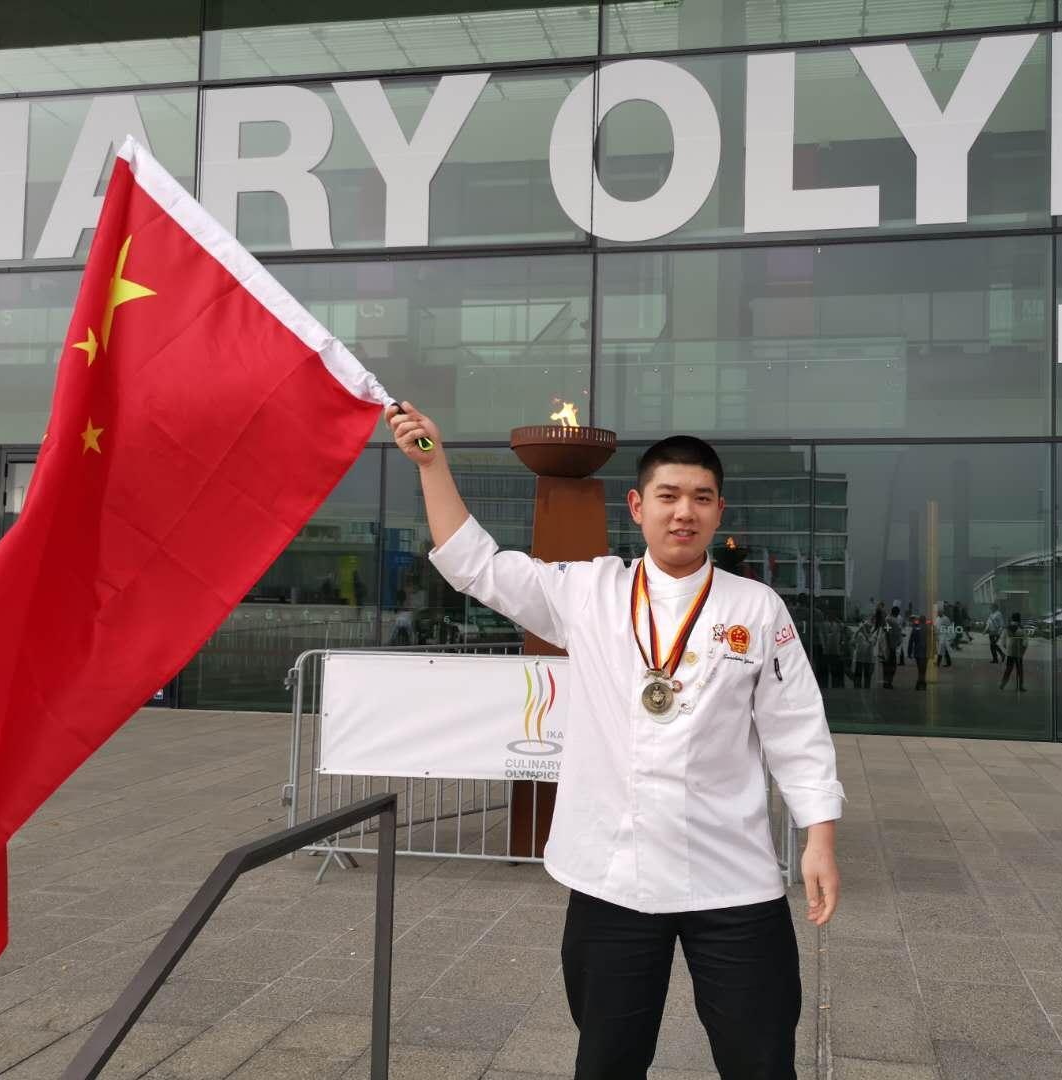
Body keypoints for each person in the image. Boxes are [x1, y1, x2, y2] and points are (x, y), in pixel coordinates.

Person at [387, 403, 843, 1080]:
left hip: (732, 877)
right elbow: (476, 565)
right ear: (637, 506)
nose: (683, 512)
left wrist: (819, 838)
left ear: (719, 512)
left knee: (762, 1059)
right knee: (606, 1061)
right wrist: (432, 464)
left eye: (701, 498)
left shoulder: (755, 608)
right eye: (668, 496)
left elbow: (796, 727)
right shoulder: (589, 590)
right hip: (611, 878)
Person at [999, 613, 1028, 692]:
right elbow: (1025, 643)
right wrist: (1023, 651)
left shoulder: (1007, 628)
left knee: (1008, 669)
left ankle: (1002, 684)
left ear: (1012, 619)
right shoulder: (1021, 628)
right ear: (1019, 619)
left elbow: (1003, 641)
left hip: (1010, 652)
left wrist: (1007, 648)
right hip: (1019, 652)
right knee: (1019, 670)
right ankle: (1020, 686)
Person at [851, 612, 879, 690]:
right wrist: (858, 631)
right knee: (857, 678)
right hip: (859, 658)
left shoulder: (875, 632)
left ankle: (867, 692)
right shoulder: (860, 631)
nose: (869, 625)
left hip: (869, 659)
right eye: (867, 625)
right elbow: (852, 642)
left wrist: (864, 632)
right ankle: (856, 692)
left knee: (867, 678)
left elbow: (872, 642)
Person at [882, 605, 904, 689]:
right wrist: (891, 644)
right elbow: (888, 633)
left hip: (888, 646)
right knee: (891, 665)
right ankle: (888, 682)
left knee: (887, 665)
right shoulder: (891, 620)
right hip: (890, 646)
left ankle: (886, 682)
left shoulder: (888, 619)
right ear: (897, 613)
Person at [907, 616, 932, 690]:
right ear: (925, 621)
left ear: (919, 621)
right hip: (926, 651)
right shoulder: (929, 628)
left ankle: (920, 683)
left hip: (918, 651)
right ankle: (922, 683)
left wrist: (909, 652)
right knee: (924, 668)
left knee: (920, 668)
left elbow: (911, 641)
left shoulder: (915, 628)